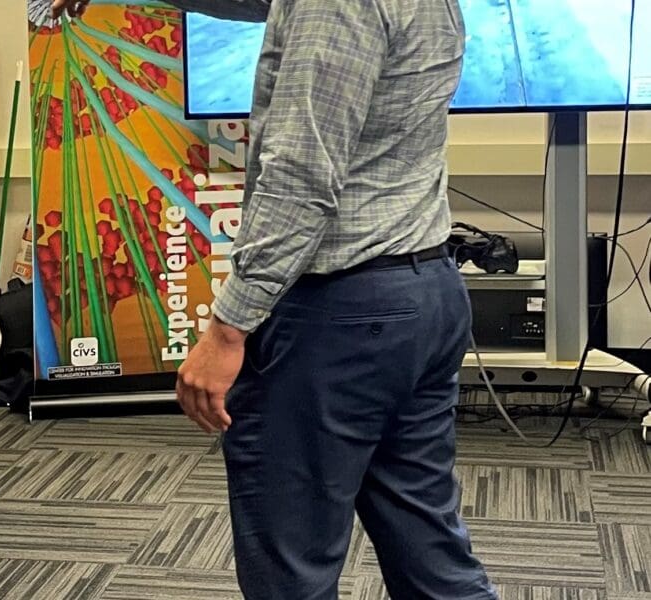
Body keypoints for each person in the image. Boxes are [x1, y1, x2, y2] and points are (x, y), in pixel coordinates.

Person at [51, 1, 498, 598]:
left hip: (338, 313)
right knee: (431, 557)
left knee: (291, 575)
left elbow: (301, 177)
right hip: (420, 293)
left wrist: (227, 329)